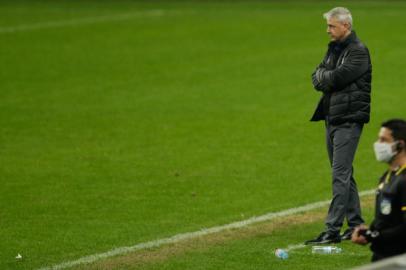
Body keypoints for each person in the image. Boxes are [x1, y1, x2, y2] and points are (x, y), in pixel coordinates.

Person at [305, 7, 372, 245]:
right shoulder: (335, 49)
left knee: (339, 174)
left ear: (346, 26)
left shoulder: (358, 52)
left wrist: (327, 77)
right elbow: (316, 76)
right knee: (344, 173)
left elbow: (335, 78)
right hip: (332, 118)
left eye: (332, 26)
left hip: (349, 120)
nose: (328, 30)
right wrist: (326, 76)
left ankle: (332, 229)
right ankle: (355, 225)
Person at [352, 119, 406, 262]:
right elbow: (385, 216)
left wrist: (375, 235)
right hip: (382, 255)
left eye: (384, 140)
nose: (378, 144)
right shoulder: (388, 175)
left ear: (400, 144)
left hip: (399, 258)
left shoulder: (404, 180)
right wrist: (368, 232)